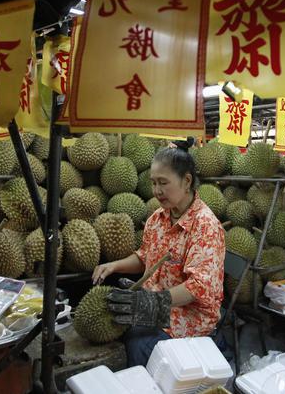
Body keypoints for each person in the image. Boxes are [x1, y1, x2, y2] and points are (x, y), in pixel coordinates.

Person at [92, 147, 225, 367]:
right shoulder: (157, 218)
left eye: (163, 183)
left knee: (137, 343)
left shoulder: (205, 227)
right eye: (153, 183)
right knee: (112, 320)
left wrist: (152, 302)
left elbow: (198, 287)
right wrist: (114, 266)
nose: (156, 190)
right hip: (155, 307)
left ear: (186, 181)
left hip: (189, 320)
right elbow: (146, 257)